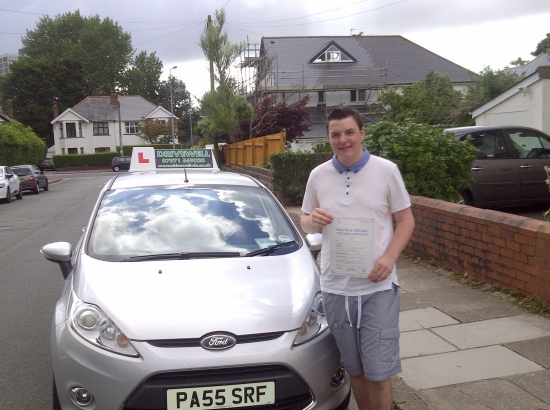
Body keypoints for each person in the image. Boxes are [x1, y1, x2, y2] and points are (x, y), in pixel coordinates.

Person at [300, 106, 415, 410]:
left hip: (377, 288)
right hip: (336, 287)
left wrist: (390, 258)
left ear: (362, 133)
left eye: (350, 132)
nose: (343, 139)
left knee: (379, 372)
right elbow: (305, 220)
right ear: (328, 138)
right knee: (355, 371)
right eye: (335, 134)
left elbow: (406, 221)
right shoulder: (318, 175)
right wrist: (314, 220)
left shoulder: (386, 171)